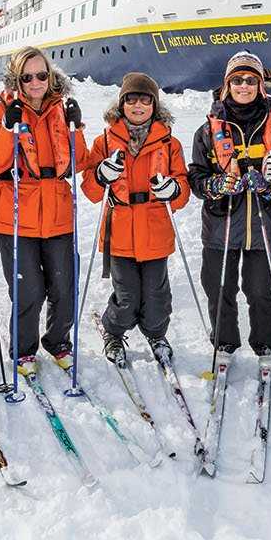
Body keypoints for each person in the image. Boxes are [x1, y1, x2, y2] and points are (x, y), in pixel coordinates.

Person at [0, 47, 88, 372]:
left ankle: (57, 341)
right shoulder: (0, 112)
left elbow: (79, 161)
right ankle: (23, 349)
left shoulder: (62, 109)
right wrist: (6, 129)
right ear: (17, 78)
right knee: (29, 290)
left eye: (42, 75)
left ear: (51, 75)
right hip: (15, 211)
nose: (36, 82)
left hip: (56, 209)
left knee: (65, 285)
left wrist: (76, 127)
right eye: (27, 77)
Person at [188, 51, 271, 364]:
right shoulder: (208, 130)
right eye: (237, 79)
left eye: (251, 80)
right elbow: (196, 175)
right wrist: (213, 186)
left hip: (263, 225)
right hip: (220, 225)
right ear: (227, 85)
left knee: (261, 290)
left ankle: (266, 345)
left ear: (261, 85)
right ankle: (224, 343)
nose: (244, 85)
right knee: (219, 287)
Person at [81, 73, 191, 364]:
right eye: (131, 99)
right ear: (122, 103)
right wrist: (100, 175)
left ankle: (156, 333)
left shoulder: (170, 143)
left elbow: (182, 188)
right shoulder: (104, 141)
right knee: (127, 295)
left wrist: (174, 189)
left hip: (155, 229)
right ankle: (114, 331)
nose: (138, 105)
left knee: (156, 295)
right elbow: (90, 190)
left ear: (154, 105)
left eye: (145, 99)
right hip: (119, 230)